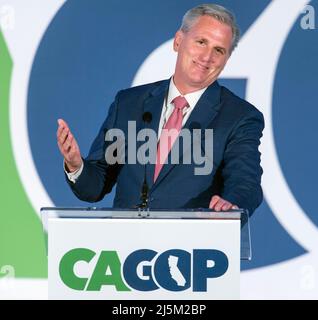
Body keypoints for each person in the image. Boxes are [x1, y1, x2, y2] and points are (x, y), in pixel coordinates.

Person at [57, 3, 264, 215]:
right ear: (178, 41)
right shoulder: (129, 104)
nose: (207, 57)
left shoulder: (239, 117)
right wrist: (76, 165)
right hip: (127, 242)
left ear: (226, 59)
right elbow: (96, 186)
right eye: (201, 42)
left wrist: (231, 205)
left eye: (218, 50)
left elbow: (246, 183)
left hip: (193, 244)